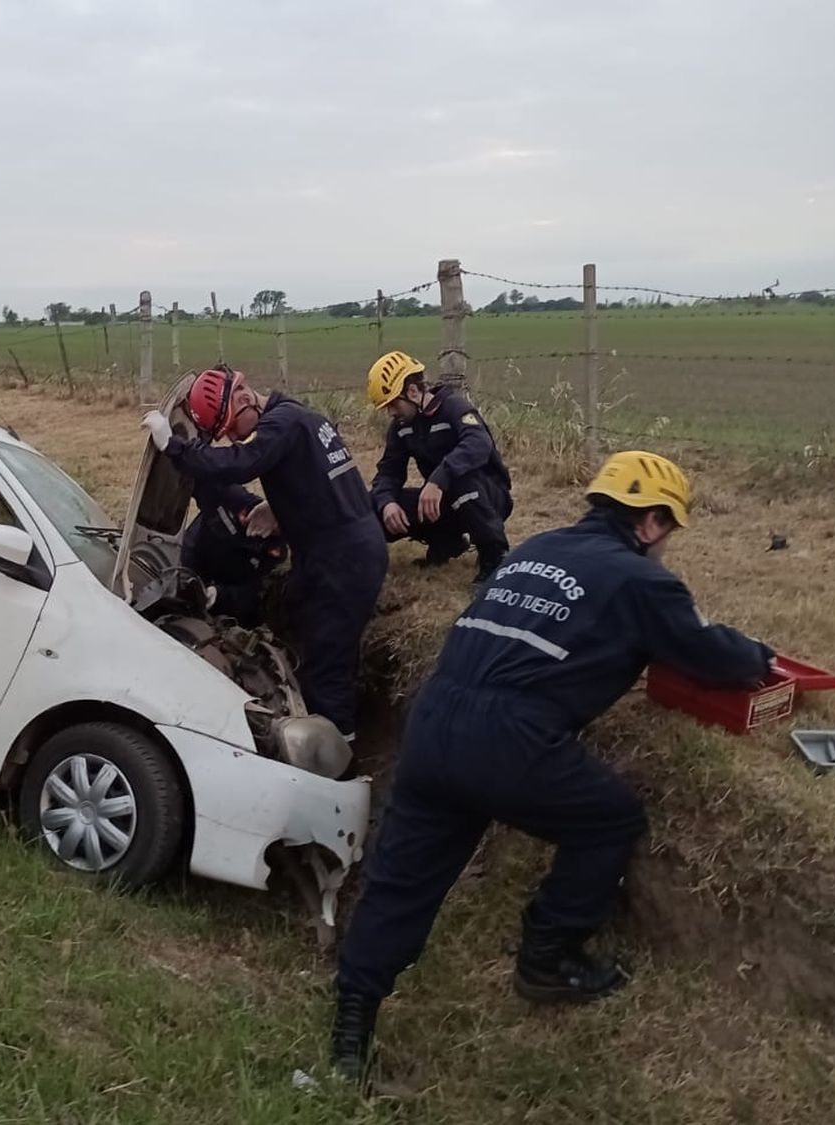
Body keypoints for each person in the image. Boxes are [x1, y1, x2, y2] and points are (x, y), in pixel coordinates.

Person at [329, 451, 774, 1084]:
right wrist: (761, 656)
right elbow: (709, 655)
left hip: (432, 719)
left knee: (403, 882)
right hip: (510, 735)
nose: (666, 545)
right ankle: (548, 955)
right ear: (649, 524)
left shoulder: (539, 547)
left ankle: (351, 1029)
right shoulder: (643, 581)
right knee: (610, 820)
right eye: (668, 530)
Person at [141, 366, 388, 741]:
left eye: (232, 429)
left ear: (243, 400)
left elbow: (240, 464)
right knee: (308, 636)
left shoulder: (283, 423)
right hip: (340, 549)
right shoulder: (300, 418)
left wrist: (173, 446)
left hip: (343, 559)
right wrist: (278, 509)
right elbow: (317, 482)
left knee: (326, 670)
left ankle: (337, 758)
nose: (236, 437)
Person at [367, 350, 514, 582]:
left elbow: (478, 443)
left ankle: (494, 558)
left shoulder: (454, 408)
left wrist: (438, 479)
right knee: (371, 504)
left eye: (393, 404)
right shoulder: (401, 426)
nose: (390, 412)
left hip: (487, 497)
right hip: (444, 500)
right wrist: (387, 503)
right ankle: (447, 542)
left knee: (462, 483)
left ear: (413, 392)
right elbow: (388, 472)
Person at [180, 480, 286, 628]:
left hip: (213, 606)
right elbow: (192, 479)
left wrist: (219, 595)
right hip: (181, 568)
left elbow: (253, 594)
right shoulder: (231, 498)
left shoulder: (275, 553)